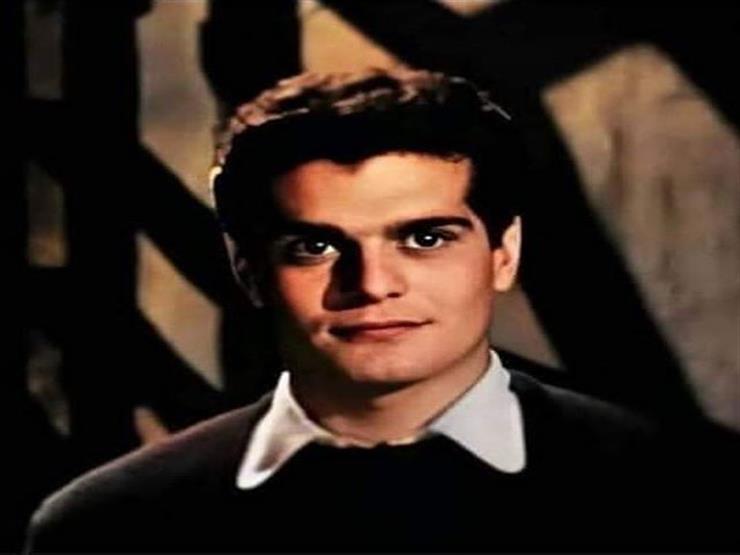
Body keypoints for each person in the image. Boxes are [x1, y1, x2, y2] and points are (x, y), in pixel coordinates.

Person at [24, 67, 726, 553]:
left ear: (502, 252)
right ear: (249, 270)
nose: (372, 283)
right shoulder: (108, 527)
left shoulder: (687, 494)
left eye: (425, 238)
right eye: (316, 246)